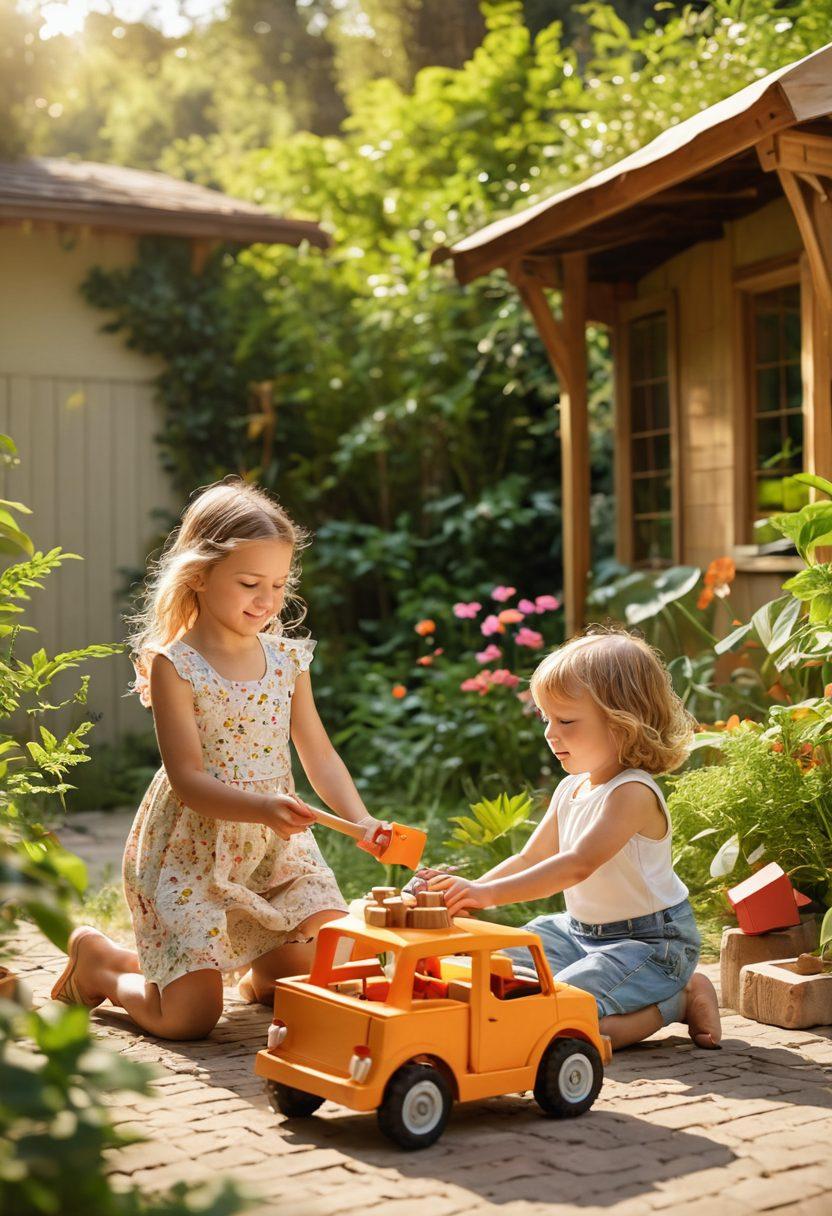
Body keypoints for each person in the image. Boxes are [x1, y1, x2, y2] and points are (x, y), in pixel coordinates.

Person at [52, 478, 382, 1039]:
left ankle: (260, 968)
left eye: (278, 584)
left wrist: (361, 820)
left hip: (275, 854)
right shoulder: (176, 665)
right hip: (194, 852)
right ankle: (101, 965)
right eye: (250, 583)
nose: (267, 600)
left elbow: (319, 753)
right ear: (199, 575)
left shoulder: (288, 661)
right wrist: (261, 807)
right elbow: (187, 780)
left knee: (340, 960)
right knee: (189, 1019)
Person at [428, 628, 722, 1051]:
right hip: (578, 932)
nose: (550, 733)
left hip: (650, 945)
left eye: (565, 721)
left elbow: (576, 864)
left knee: (561, 1021)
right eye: (546, 718)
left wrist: (487, 894)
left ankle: (680, 997)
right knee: (495, 968)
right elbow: (531, 857)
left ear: (624, 723)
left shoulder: (632, 792)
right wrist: (469, 893)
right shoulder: (571, 788)